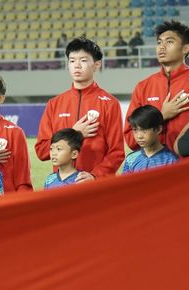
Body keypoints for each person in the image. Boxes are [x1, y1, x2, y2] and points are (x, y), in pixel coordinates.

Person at [36, 37, 124, 182]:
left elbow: (117, 152)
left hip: (96, 185)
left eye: (83, 60)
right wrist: (74, 133)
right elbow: (41, 150)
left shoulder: (110, 103)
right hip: (61, 185)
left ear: (96, 65)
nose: (77, 65)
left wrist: (95, 175)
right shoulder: (54, 103)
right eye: (72, 61)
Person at [124, 21, 189, 152]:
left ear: (186, 48)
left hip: (187, 167)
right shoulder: (143, 87)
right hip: (155, 169)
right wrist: (161, 116)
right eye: (159, 42)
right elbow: (131, 140)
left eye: (169, 42)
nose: (162, 47)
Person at [122, 105, 179, 173]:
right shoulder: (131, 159)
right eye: (135, 130)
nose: (139, 136)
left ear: (158, 129)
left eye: (144, 130)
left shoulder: (171, 160)